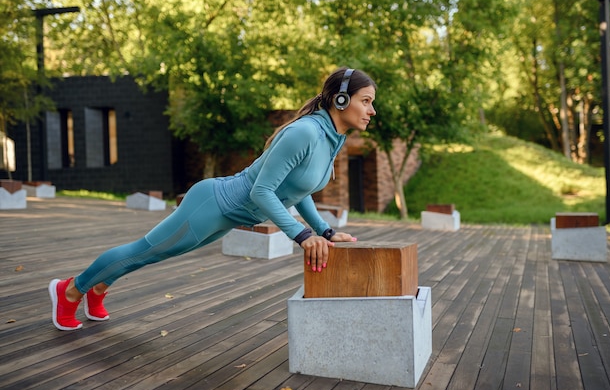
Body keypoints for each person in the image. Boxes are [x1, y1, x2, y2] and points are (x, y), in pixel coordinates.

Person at [48, 67, 377, 331]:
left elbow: (297, 190)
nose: (371, 110)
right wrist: (302, 235)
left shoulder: (330, 138)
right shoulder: (305, 133)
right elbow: (261, 191)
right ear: (342, 100)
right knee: (143, 251)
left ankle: (98, 288)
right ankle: (70, 289)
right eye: (366, 101)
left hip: (229, 216)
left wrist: (326, 231)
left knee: (151, 255)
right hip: (213, 204)